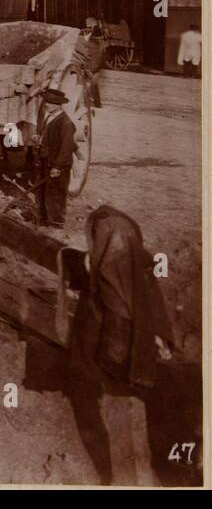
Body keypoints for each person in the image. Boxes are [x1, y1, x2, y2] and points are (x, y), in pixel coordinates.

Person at [65, 205, 175, 485]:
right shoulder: (139, 274)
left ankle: (115, 476)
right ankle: (115, 475)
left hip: (114, 372)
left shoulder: (113, 288)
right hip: (122, 374)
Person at [36, 88, 75, 228]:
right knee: (42, 192)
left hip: (58, 165)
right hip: (46, 161)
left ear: (59, 105)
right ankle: (42, 221)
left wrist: (57, 167)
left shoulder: (66, 123)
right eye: (47, 101)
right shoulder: (50, 116)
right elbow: (48, 134)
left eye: (51, 103)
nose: (47, 105)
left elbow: (67, 148)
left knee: (56, 194)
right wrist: (39, 137)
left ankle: (55, 224)